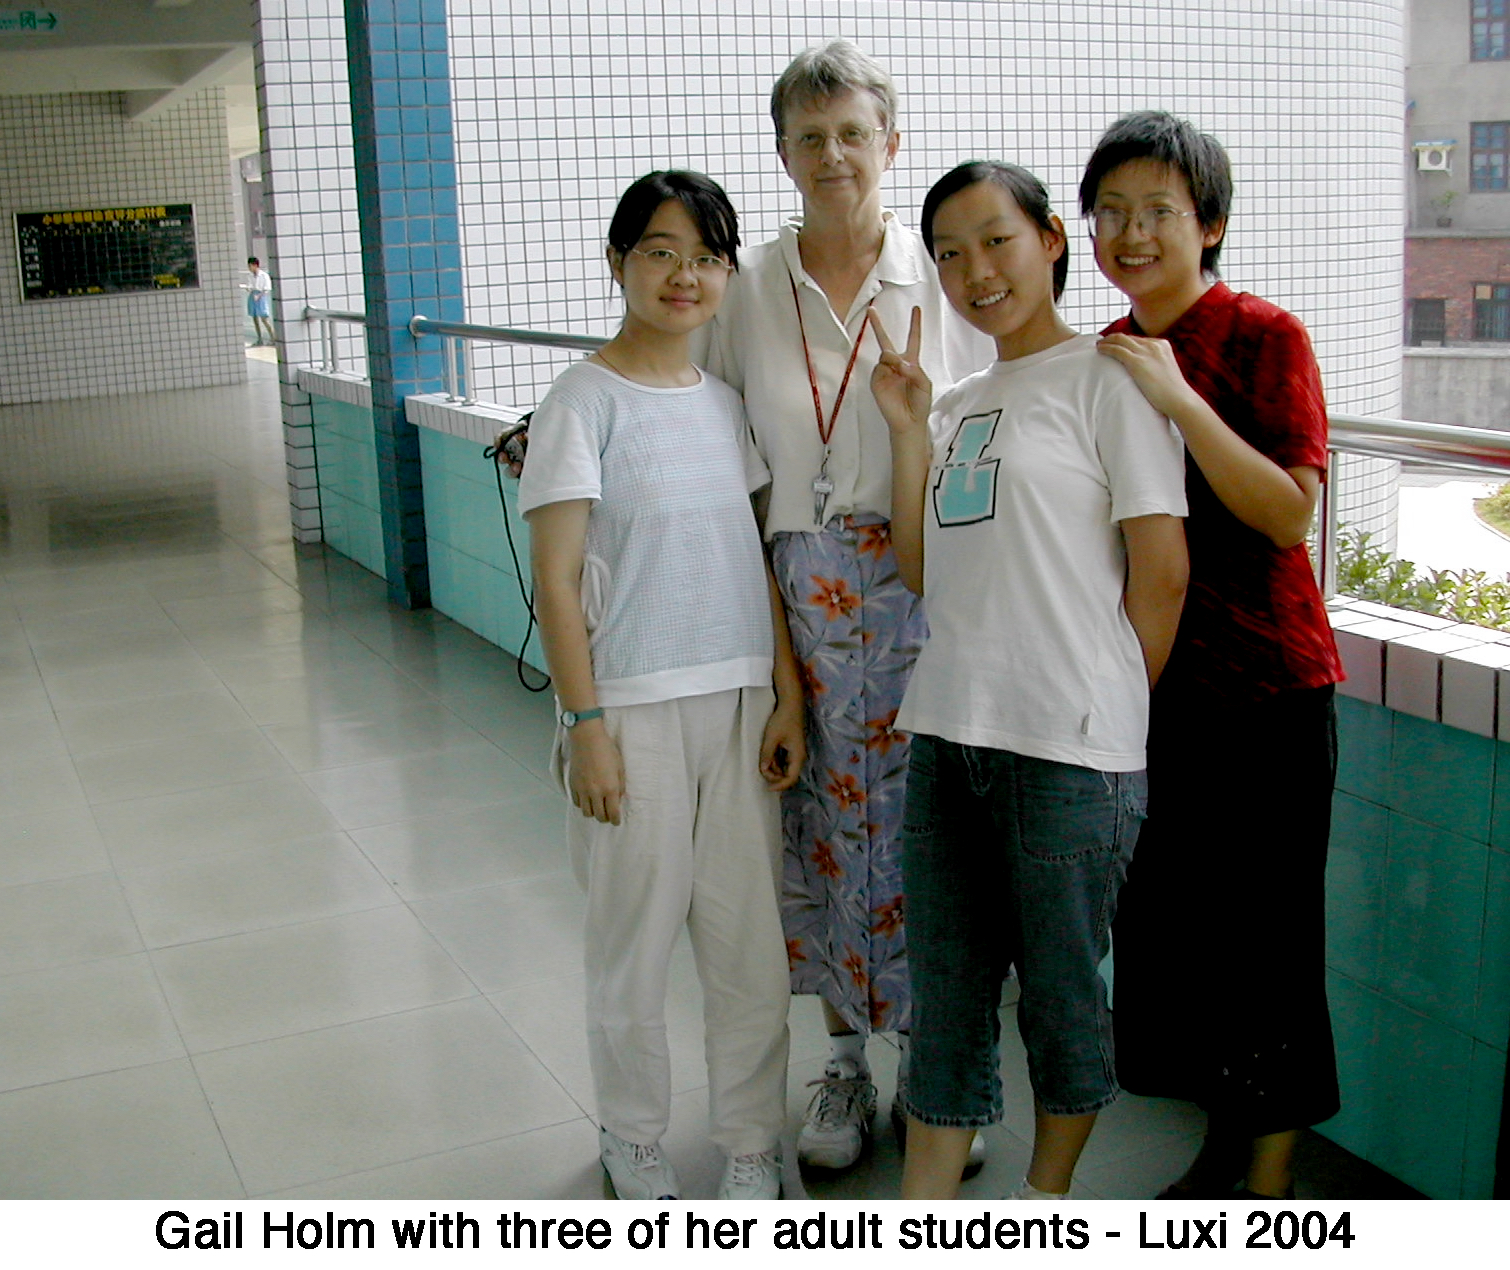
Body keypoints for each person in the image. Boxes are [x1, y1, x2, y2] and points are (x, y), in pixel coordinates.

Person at [869, 160, 1189, 1200]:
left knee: (1059, 996)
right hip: (949, 734)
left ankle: (1041, 1206)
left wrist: (1098, 705)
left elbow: (1162, 572)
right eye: (949, 253)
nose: (975, 269)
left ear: (1051, 238)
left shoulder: (1112, 377)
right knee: (949, 992)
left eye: (995, 239)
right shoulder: (960, 399)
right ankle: (921, 1211)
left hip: (1068, 750)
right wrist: (909, 430)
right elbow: (925, 568)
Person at [702, 39, 992, 1174]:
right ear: (783, 151)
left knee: (930, 831)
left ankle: (932, 1063)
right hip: (793, 598)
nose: (833, 154)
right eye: (810, 135)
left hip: (928, 585)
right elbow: (711, 448)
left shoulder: (939, 280)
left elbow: (987, 440)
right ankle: (842, 1066)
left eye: (853, 133)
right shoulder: (745, 290)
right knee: (814, 829)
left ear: (892, 143)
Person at [517, 171, 805, 1202]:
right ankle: (631, 1135)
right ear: (618, 262)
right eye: (660, 251)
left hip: (735, 708)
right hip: (629, 709)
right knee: (630, 944)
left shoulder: (723, 406)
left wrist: (785, 693)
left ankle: (749, 1140)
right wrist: (585, 722)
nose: (685, 276)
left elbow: (748, 560)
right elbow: (557, 580)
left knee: (744, 948)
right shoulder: (581, 402)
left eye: (707, 257)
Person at [1081, 111, 1345, 1200]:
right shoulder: (1105, 351)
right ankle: (1218, 1141)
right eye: (1111, 212)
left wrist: (1177, 397)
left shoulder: (1261, 334)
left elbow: (1287, 512)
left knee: (1270, 948)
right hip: (1155, 698)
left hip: (1270, 697)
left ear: (1211, 225)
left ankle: (1267, 1183)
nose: (1132, 233)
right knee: (1175, 938)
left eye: (1159, 212)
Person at [243, 257, 274, 345]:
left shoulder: (264, 275)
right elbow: (249, 285)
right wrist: (249, 289)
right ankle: (259, 339)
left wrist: (259, 296)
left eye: (250, 266)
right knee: (255, 319)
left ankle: (273, 338)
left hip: (261, 296)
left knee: (264, 319)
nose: (249, 268)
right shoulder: (249, 275)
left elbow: (267, 288)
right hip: (253, 295)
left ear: (255, 265)